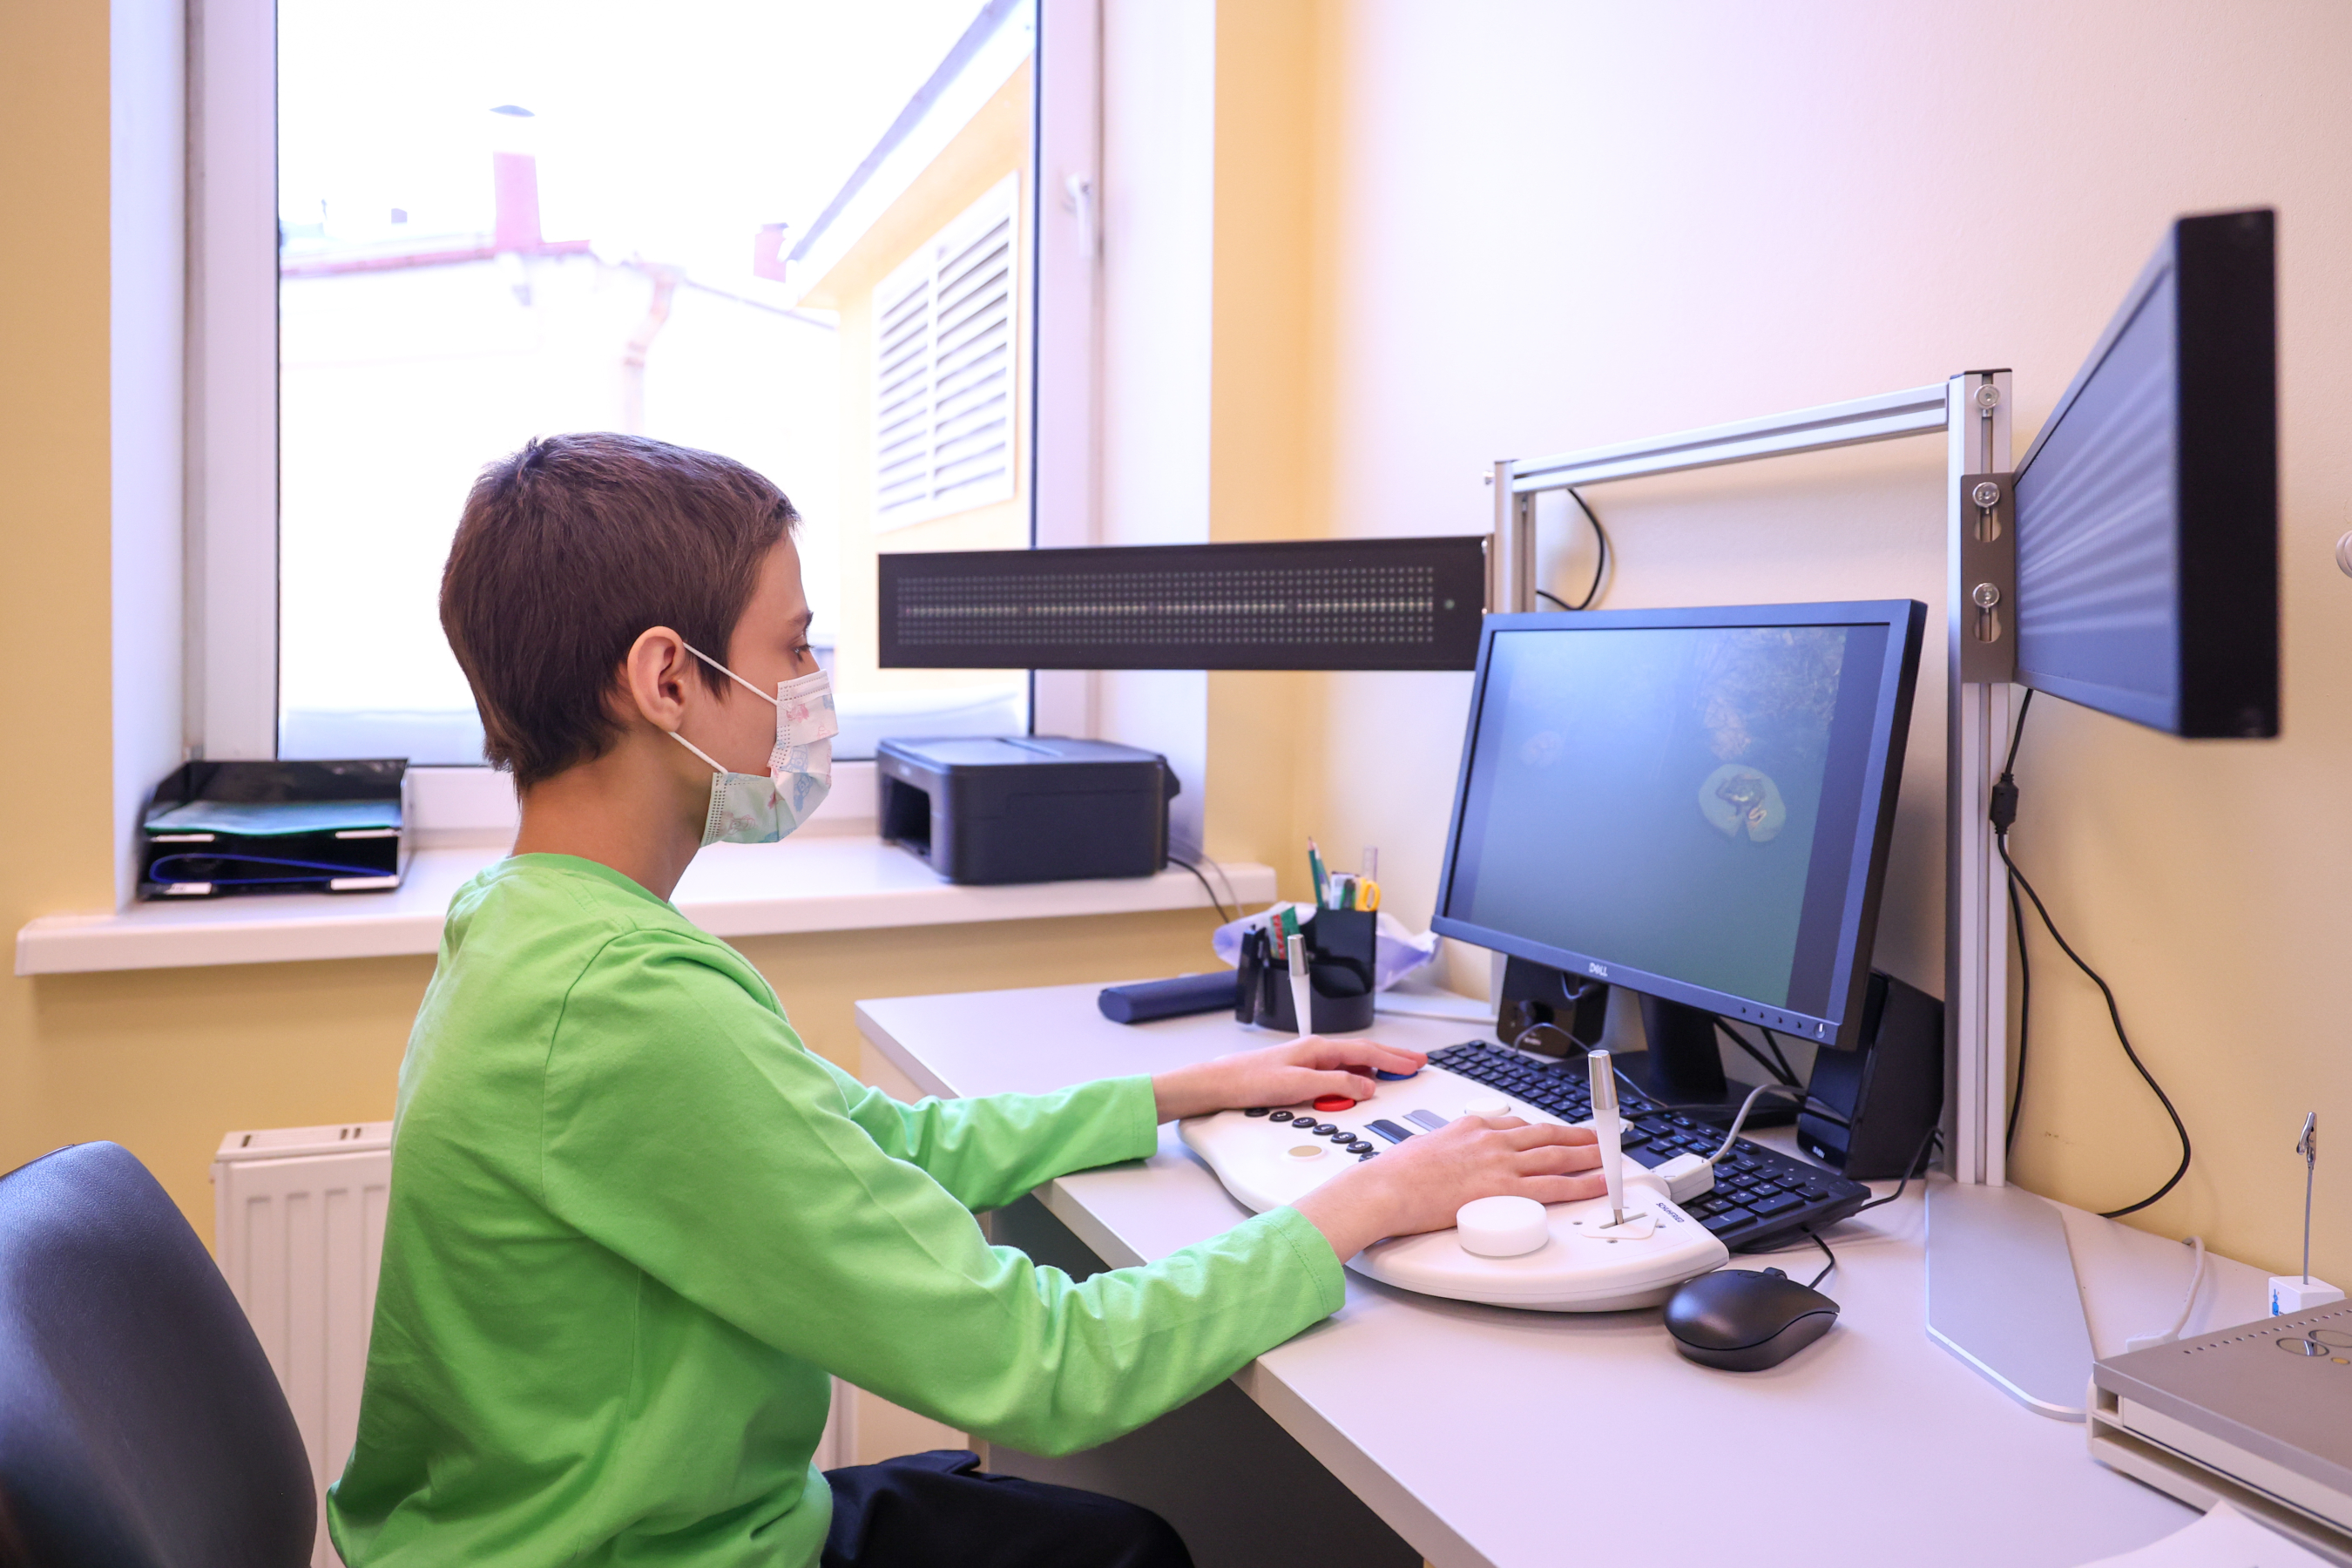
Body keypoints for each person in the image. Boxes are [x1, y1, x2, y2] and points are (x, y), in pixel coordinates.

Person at [327, 433, 1605, 1567]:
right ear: (668, 681)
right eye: (793, 646)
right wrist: (1370, 1198)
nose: (813, 683)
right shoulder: (626, 1004)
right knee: (1129, 1547)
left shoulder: (531, 926)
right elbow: (1049, 1366)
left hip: (661, 1522)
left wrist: (1181, 1093)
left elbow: (887, 1144)